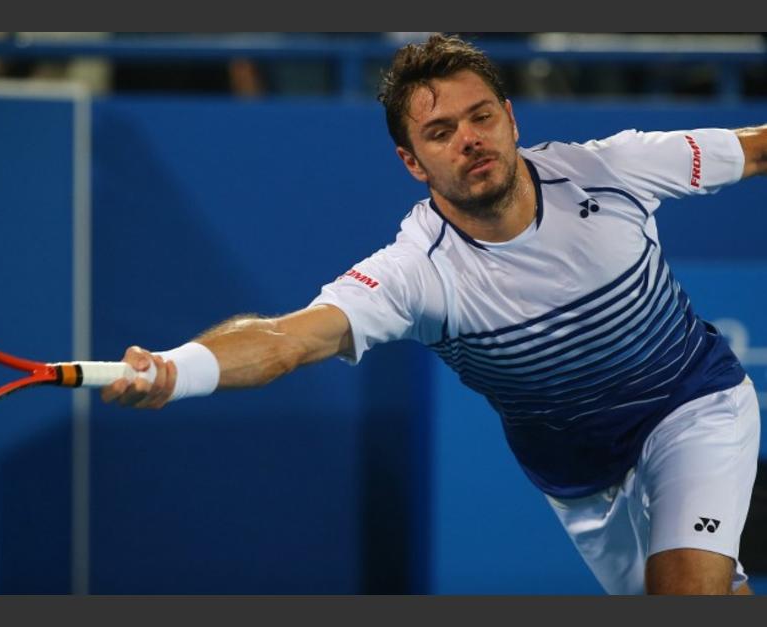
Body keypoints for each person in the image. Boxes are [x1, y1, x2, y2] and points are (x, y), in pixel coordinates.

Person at [100, 33, 767, 595]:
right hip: (581, 481)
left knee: (685, 587)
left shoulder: (613, 168)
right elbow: (286, 340)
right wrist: (174, 369)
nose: (470, 140)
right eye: (441, 133)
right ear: (412, 161)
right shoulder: (417, 273)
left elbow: (758, 147)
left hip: (692, 405)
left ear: (510, 118)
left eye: (480, 117)